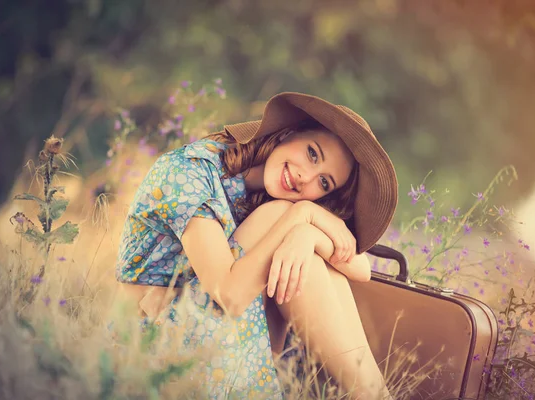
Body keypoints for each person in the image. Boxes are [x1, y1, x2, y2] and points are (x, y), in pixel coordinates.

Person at [114, 92, 398, 399]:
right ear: (290, 133)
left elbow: (361, 267)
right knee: (281, 221)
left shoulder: (276, 200)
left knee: (302, 248)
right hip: (154, 349)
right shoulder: (191, 171)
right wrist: (303, 214)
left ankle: (376, 394)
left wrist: (309, 234)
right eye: (313, 154)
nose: (307, 178)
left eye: (324, 183)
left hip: (223, 339)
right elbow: (231, 296)